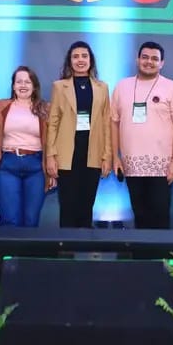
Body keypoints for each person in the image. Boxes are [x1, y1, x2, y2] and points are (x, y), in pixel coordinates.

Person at [111, 41, 173, 229]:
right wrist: (115, 157)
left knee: (160, 219)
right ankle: (141, 250)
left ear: (162, 63)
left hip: (162, 167)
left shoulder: (171, 87)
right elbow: (113, 122)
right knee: (140, 217)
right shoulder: (122, 86)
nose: (149, 62)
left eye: (154, 59)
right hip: (131, 165)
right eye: (145, 57)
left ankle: (160, 250)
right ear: (137, 60)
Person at [47, 41, 112, 228]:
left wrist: (107, 156)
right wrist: (50, 156)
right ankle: (65, 246)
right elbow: (53, 123)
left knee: (86, 207)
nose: (80, 60)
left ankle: (84, 245)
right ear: (70, 61)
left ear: (91, 60)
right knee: (67, 207)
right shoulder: (59, 87)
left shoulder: (102, 87)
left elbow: (106, 124)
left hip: (92, 155)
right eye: (75, 57)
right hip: (66, 156)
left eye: (84, 56)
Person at [0, 66, 54, 227]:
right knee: (10, 220)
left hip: (36, 167)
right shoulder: (2, 106)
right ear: (13, 86)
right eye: (19, 82)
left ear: (34, 86)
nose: (23, 85)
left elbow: (53, 141)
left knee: (31, 221)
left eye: (27, 82)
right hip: (8, 165)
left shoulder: (45, 108)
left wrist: (52, 170)